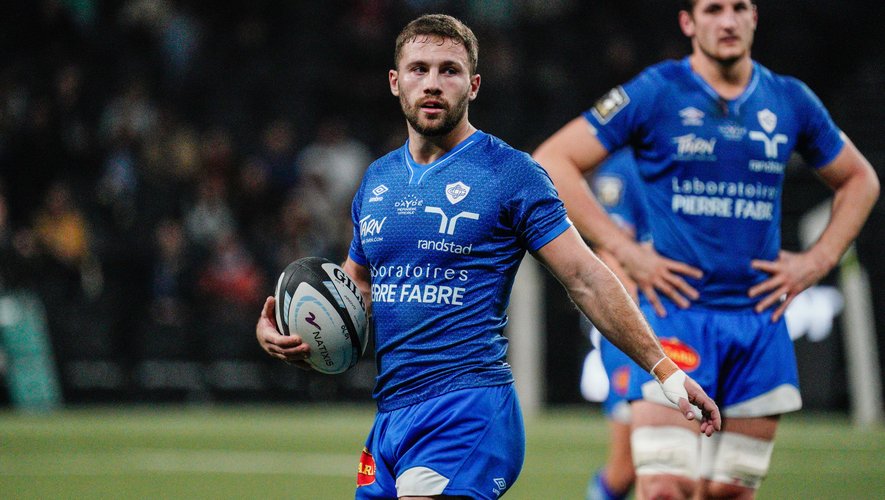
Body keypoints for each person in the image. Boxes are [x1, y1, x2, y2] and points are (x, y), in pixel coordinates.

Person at [256, 14, 720, 500]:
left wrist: (665, 370)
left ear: (473, 85)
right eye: (418, 69)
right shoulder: (377, 180)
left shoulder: (512, 174)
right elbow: (357, 291)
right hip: (392, 415)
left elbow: (585, 277)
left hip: (467, 408)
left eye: (449, 70)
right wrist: (297, 333)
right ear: (395, 82)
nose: (432, 83)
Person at [533, 1, 879, 498]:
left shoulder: (789, 99)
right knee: (664, 486)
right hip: (673, 315)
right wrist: (624, 249)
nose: (728, 21)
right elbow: (553, 160)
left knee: (727, 493)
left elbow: (860, 180)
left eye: (739, 8)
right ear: (688, 22)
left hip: (757, 322)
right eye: (713, 9)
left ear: (754, 17)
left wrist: (817, 261)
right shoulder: (657, 91)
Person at [579, 148, 649, 500]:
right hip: (639, 332)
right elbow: (609, 252)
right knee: (627, 468)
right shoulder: (621, 169)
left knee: (688, 467)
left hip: (691, 323)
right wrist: (638, 317)